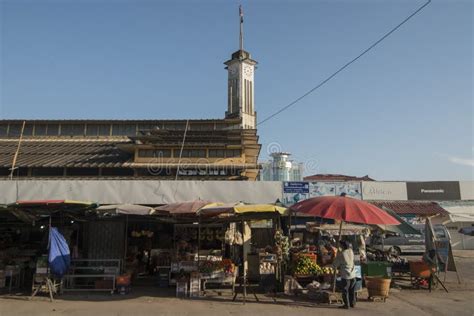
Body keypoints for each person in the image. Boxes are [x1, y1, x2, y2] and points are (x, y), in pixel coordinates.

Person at [333, 240, 357, 309]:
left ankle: (347, 305)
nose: (339, 246)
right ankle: (352, 303)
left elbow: (335, 264)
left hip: (346, 275)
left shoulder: (342, 254)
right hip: (353, 274)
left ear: (342, 246)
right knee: (352, 290)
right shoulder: (351, 251)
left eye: (340, 245)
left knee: (345, 290)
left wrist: (336, 256)